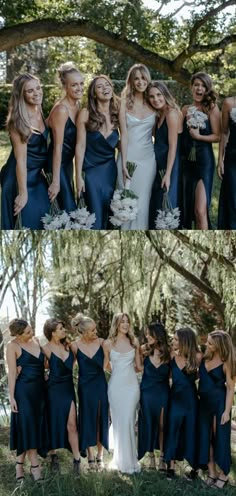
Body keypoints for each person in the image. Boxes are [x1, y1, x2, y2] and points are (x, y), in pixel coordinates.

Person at [0, 73, 50, 229]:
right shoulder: (18, 121)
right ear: (21, 95)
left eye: (38, 88)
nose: (36, 93)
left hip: (36, 175)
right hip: (18, 177)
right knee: (26, 220)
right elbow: (20, 161)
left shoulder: (39, 111)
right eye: (30, 91)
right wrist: (22, 193)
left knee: (44, 216)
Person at [75, 75, 120, 229]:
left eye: (107, 84)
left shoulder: (117, 114)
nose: (105, 88)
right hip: (91, 172)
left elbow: (124, 141)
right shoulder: (85, 113)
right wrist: (78, 176)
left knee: (110, 211)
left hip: (110, 171)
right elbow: (80, 146)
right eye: (99, 87)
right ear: (94, 93)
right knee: (93, 213)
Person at [6, 318, 47, 482]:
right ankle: (35, 467)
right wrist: (12, 397)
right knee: (29, 427)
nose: (32, 333)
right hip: (24, 393)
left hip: (40, 391)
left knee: (33, 428)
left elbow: (43, 364)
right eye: (28, 332)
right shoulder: (12, 346)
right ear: (18, 334)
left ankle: (19, 464)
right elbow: (11, 374)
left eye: (31, 329)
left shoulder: (36, 340)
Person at [117, 64, 156, 229]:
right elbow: (123, 134)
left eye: (143, 77)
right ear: (131, 82)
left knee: (143, 201)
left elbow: (157, 132)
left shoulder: (154, 101)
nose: (140, 82)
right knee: (126, 201)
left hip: (148, 159)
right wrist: (124, 162)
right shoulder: (123, 103)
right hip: (128, 156)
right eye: (136, 78)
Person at [103, 313, 142, 474]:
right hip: (116, 387)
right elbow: (105, 366)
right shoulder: (107, 343)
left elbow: (139, 366)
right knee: (119, 423)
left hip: (132, 386)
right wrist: (118, 371)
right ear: (116, 324)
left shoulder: (134, 342)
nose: (125, 324)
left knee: (129, 420)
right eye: (122, 322)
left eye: (127, 321)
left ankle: (131, 462)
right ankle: (120, 461)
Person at [182, 72, 221, 229]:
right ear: (191, 87)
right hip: (186, 162)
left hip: (204, 161)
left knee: (200, 210)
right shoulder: (185, 109)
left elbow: (218, 136)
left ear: (207, 89)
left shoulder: (211, 108)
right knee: (187, 207)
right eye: (196, 85)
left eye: (203, 86)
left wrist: (198, 137)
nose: (199, 88)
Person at [42, 318, 81, 475]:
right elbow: (39, 368)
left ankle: (77, 460)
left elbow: (76, 363)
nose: (64, 330)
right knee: (53, 423)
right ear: (52, 333)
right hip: (52, 391)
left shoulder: (70, 347)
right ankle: (53, 457)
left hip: (68, 389)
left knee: (72, 425)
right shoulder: (44, 349)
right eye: (60, 328)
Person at [198, 330, 236, 488]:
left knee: (219, 438)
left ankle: (223, 475)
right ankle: (212, 472)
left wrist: (227, 411)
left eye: (211, 343)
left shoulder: (226, 361)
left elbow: (230, 388)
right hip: (204, 404)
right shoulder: (204, 358)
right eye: (207, 341)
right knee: (206, 438)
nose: (207, 344)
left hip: (220, 404)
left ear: (220, 345)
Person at [71, 313, 109, 469]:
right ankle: (91, 456)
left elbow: (109, 364)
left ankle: (100, 456)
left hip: (100, 384)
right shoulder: (74, 346)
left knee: (101, 418)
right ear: (84, 332)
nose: (96, 332)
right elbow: (67, 364)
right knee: (87, 419)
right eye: (92, 330)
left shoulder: (102, 343)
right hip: (85, 387)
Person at [164, 328, 202, 480]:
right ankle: (171, 467)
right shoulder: (172, 355)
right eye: (173, 339)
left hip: (191, 400)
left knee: (192, 431)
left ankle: (194, 468)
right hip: (174, 399)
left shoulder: (198, 357)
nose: (173, 341)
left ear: (185, 341)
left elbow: (203, 374)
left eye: (176, 339)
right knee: (172, 430)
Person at [46, 62, 84, 211]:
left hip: (67, 164)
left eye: (81, 83)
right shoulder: (62, 110)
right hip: (56, 164)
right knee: (68, 206)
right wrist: (55, 180)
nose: (79, 88)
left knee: (65, 205)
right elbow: (57, 147)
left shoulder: (77, 105)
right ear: (65, 87)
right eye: (74, 85)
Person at [147, 81, 183, 228]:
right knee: (157, 202)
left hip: (170, 165)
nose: (156, 99)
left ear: (165, 94)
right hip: (160, 163)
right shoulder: (160, 114)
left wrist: (168, 174)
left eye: (158, 95)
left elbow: (173, 146)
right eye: (151, 97)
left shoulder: (171, 113)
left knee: (167, 202)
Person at [138, 322, 170, 471]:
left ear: (158, 335)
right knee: (149, 424)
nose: (147, 336)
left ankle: (163, 457)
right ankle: (150, 456)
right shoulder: (143, 350)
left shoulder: (170, 353)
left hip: (163, 392)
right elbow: (137, 367)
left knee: (163, 425)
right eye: (146, 334)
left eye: (150, 334)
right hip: (146, 392)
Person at [218, 96, 236, 229]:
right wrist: (220, 160)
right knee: (232, 202)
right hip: (232, 160)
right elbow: (224, 132)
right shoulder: (229, 103)